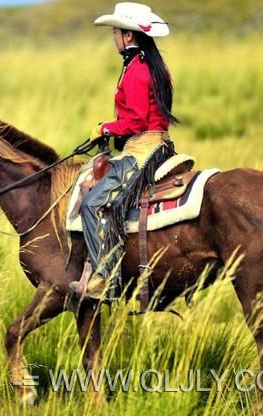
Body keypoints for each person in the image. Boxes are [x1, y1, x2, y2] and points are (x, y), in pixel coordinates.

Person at [70, 2, 179, 302]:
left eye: (115, 32)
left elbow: (136, 122)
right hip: (161, 144)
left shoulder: (136, 71)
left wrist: (104, 129)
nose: (114, 37)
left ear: (128, 36)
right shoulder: (155, 67)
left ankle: (104, 279)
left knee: (94, 204)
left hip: (143, 150)